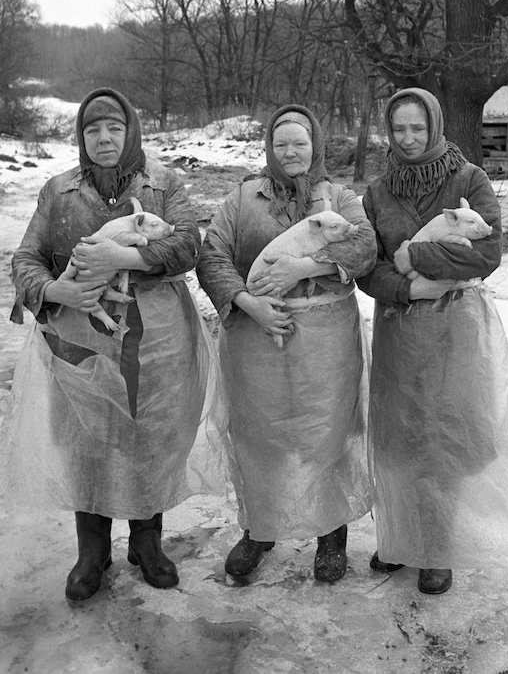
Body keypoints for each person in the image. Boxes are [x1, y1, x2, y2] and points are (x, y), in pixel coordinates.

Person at [1, 88, 214, 601]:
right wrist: (56, 289)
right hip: (79, 335)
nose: (103, 138)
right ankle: (92, 552)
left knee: (151, 435)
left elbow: (188, 243)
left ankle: (146, 541)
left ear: (131, 131)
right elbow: (26, 259)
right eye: (93, 129)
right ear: (81, 136)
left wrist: (128, 260)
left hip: (157, 335)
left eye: (114, 128)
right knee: (86, 440)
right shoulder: (58, 191)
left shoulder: (162, 184)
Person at [357, 88, 508, 594]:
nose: (409, 138)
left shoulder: (469, 178)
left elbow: (487, 254)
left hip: (457, 326)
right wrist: (405, 286)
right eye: (399, 129)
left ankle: (437, 547)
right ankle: (400, 538)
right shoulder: (377, 193)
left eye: (418, 127)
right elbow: (366, 267)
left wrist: (416, 260)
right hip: (400, 326)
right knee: (401, 438)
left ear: (435, 126)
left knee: (446, 438)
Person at [196, 104, 377, 583]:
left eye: (300, 142)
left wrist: (308, 267)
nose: (291, 151)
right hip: (257, 336)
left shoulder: (338, 196)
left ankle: (330, 534)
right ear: (269, 149)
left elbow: (365, 248)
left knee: (328, 431)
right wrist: (246, 302)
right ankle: (261, 526)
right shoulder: (241, 199)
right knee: (260, 433)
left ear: (315, 145)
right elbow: (211, 256)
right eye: (281, 144)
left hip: (327, 337)